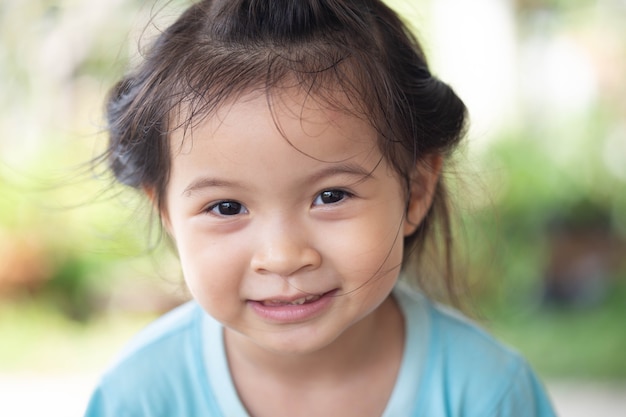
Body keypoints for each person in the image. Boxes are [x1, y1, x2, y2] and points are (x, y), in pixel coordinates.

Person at [85, 0, 557, 416]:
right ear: (165, 213)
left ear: (414, 191)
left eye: (330, 197)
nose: (284, 256)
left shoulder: (487, 394)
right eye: (226, 207)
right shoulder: (138, 399)